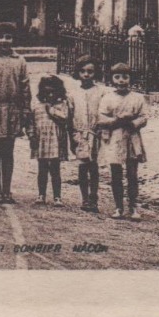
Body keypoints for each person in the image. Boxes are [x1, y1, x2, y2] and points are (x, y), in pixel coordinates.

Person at [0, 22, 31, 204]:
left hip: (12, 111)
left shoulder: (20, 61)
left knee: (8, 151)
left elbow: (25, 87)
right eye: (0, 37)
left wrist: (25, 109)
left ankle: (7, 190)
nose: (4, 41)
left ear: (13, 39)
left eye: (8, 37)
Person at [96, 62, 151, 220]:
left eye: (125, 77)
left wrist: (132, 123)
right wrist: (115, 121)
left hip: (132, 137)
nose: (121, 80)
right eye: (117, 77)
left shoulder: (137, 98)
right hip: (114, 137)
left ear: (130, 79)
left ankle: (133, 206)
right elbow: (101, 117)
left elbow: (144, 117)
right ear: (112, 79)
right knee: (116, 173)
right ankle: (119, 207)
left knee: (132, 173)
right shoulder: (107, 98)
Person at [29, 74, 73, 206]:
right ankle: (41, 195)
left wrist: (51, 110)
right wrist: (32, 136)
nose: (50, 95)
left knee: (55, 169)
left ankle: (57, 196)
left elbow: (65, 119)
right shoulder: (37, 105)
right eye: (47, 92)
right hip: (41, 139)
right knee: (42, 168)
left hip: (55, 139)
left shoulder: (62, 105)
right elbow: (31, 122)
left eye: (53, 92)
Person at [68, 56, 105, 213]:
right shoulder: (73, 94)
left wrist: (101, 128)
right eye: (82, 71)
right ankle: (84, 198)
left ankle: (93, 197)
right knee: (83, 165)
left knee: (94, 165)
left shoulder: (101, 92)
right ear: (78, 73)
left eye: (90, 71)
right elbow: (70, 115)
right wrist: (71, 135)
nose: (86, 75)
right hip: (79, 132)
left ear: (95, 73)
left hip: (96, 132)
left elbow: (104, 112)